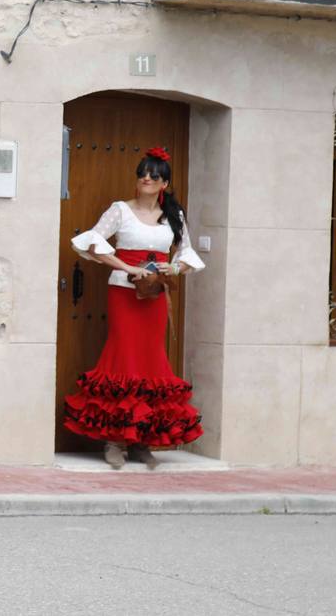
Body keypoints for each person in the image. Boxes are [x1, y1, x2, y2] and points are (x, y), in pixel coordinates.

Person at [63, 147, 205, 469]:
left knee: (151, 361)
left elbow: (187, 254)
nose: (146, 178)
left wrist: (173, 269)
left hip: (154, 297)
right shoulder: (119, 210)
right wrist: (127, 269)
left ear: (164, 182)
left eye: (154, 175)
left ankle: (142, 441)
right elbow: (92, 244)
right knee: (123, 357)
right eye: (142, 173)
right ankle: (114, 441)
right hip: (124, 293)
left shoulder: (175, 216)